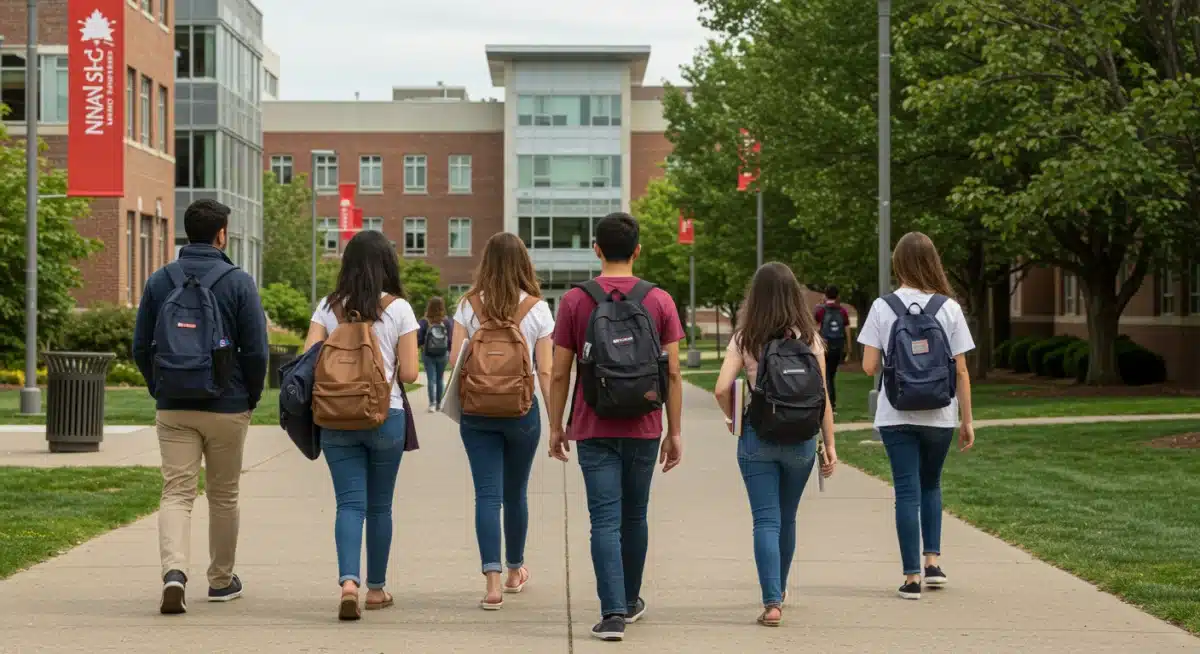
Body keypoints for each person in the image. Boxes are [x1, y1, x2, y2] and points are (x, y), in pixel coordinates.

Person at [547, 212, 685, 642]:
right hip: (644, 424)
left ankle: (612, 615)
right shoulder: (659, 300)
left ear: (597, 250)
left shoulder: (575, 300)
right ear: (637, 250)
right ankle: (629, 600)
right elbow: (674, 374)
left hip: (593, 424)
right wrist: (674, 431)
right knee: (635, 515)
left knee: (603, 519)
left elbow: (559, 373)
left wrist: (557, 426)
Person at [132, 199, 269, 614]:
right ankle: (221, 580)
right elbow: (257, 351)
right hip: (227, 405)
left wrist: (160, 387)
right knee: (224, 494)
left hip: (174, 403)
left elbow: (140, 346)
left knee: (176, 491)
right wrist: (251, 396)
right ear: (221, 234)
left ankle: (174, 573)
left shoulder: (160, 280)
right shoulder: (238, 281)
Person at [303, 230, 420, 620]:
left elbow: (307, 360)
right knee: (380, 506)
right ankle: (376, 589)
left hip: (336, 417)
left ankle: (348, 583)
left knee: (348, 504)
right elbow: (410, 371)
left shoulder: (328, 307)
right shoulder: (399, 309)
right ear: (387, 263)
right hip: (386, 416)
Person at [713, 262, 838, 627]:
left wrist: (733, 418)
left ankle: (771, 603)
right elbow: (823, 397)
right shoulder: (811, 339)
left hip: (758, 436)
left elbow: (722, 388)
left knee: (765, 520)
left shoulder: (745, 337)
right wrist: (829, 444)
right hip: (801, 440)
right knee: (787, 517)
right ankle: (779, 589)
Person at [857, 231, 976, 601]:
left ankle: (911, 578)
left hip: (897, 412)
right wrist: (967, 420)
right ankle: (933, 563)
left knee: (906, 490)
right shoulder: (949, 308)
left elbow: (868, 366)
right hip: (940, 412)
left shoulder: (882, 306)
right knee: (931, 485)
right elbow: (961, 371)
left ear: (898, 263)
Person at [447, 232, 555, 610]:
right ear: (524, 264)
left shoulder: (467, 306)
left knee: (486, 495)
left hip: (477, 411)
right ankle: (515, 572)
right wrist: (557, 420)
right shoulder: (537, 309)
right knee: (516, 493)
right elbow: (546, 372)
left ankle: (491, 583)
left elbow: (452, 361)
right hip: (522, 412)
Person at [813, 285, 851, 410]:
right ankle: (831, 403)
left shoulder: (820, 310)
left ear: (825, 295)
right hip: (838, 346)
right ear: (838, 296)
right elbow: (847, 330)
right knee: (831, 374)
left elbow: (816, 329)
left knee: (826, 374)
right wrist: (848, 347)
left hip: (825, 346)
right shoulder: (843, 311)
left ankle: (828, 403)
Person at [417, 296, 454, 412]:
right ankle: (439, 404)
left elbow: (419, 339)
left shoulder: (424, 321)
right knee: (440, 379)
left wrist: (421, 347)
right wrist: (448, 350)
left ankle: (432, 404)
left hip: (428, 354)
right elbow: (450, 340)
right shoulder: (447, 321)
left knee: (431, 379)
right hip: (443, 354)